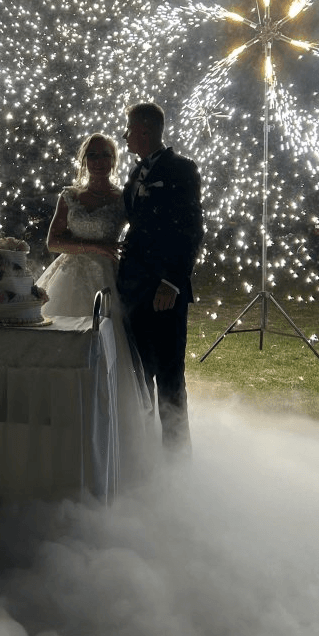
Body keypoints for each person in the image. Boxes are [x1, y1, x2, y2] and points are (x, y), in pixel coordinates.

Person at [37, 132, 153, 478]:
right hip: (69, 275)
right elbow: (53, 242)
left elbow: (143, 235)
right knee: (59, 344)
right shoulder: (69, 196)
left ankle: (109, 428)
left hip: (106, 281)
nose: (99, 162)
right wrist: (94, 247)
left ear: (114, 160)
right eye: (93, 155)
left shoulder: (123, 198)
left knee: (107, 348)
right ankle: (60, 421)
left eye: (105, 155)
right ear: (84, 160)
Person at [117, 102, 203, 452]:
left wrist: (172, 281)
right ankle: (146, 457)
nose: (125, 136)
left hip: (164, 291)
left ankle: (177, 462)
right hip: (132, 291)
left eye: (128, 129)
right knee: (139, 378)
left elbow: (191, 229)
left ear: (144, 130)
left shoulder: (181, 169)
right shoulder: (136, 173)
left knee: (169, 378)